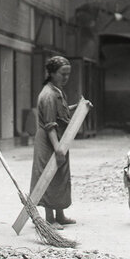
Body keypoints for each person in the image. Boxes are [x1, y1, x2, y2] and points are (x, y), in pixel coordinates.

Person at [30, 56, 83, 230]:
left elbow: (61, 113)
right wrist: (57, 148)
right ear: (52, 73)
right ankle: (49, 218)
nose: (65, 78)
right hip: (49, 141)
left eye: (68, 74)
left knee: (60, 176)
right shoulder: (48, 95)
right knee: (49, 176)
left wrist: (79, 107)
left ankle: (60, 214)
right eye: (62, 74)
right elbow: (50, 124)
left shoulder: (58, 91)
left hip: (60, 140)